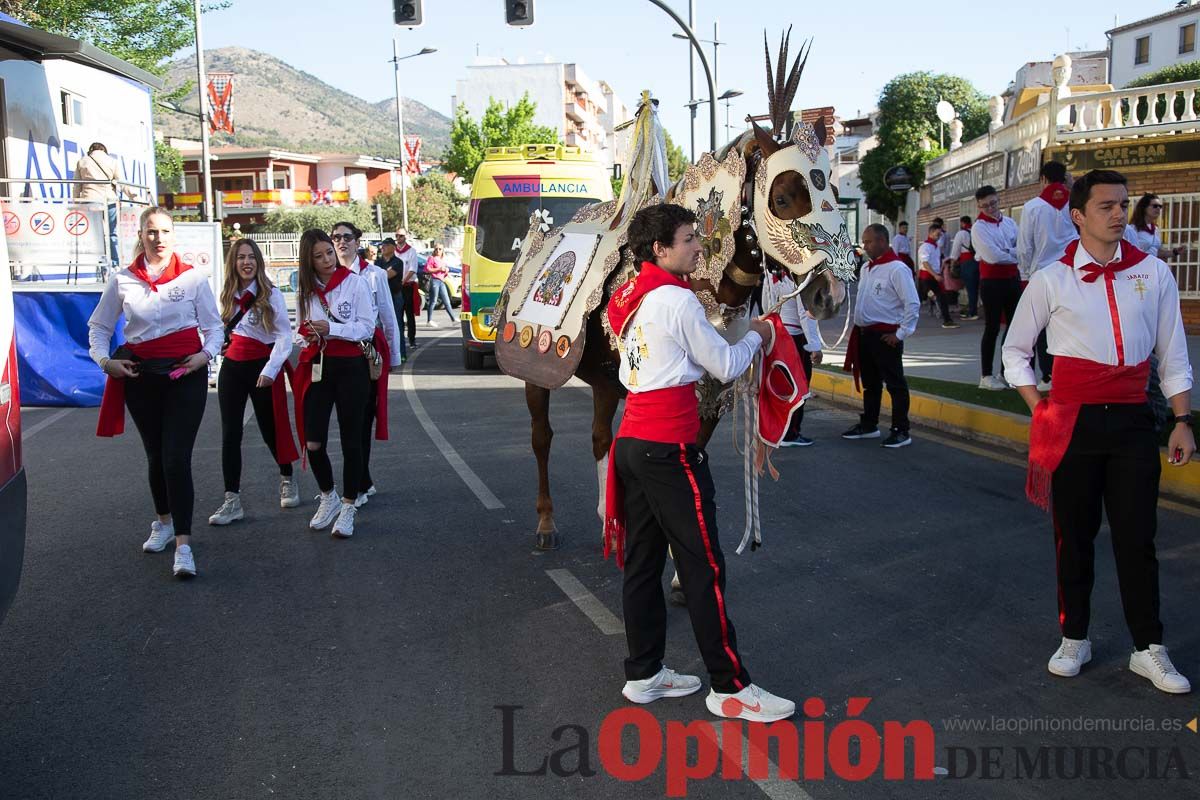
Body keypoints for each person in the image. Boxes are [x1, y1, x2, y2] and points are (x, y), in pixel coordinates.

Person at [1002, 169, 1195, 694]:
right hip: (1073, 423)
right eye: (1106, 205)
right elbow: (1015, 352)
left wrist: (1181, 419)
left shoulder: (1153, 272)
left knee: (1138, 538)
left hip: (1134, 417)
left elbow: (1172, 353)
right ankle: (1075, 636)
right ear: (1078, 216)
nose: (1117, 213)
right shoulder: (1052, 279)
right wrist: (1039, 405)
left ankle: (1148, 647)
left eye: (1123, 204)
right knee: (1074, 538)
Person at [603, 203, 794, 722]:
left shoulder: (635, 298)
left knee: (643, 563)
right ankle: (729, 686)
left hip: (634, 443)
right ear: (660, 250)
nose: (698, 246)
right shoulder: (675, 301)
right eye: (688, 239)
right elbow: (727, 365)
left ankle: (643, 674)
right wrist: (761, 334)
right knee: (703, 564)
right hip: (668, 448)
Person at [89, 207, 222, 578]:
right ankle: (163, 520)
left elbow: (214, 329)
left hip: (185, 374)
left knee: (176, 458)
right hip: (141, 376)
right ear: (142, 236)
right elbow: (99, 328)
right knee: (155, 455)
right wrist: (105, 362)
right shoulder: (122, 280)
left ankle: (183, 545)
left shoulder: (194, 278)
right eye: (151, 232)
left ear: (174, 236)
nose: (158, 238)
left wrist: (204, 356)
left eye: (164, 231)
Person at [208, 238, 300, 526]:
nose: (246, 262)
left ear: (258, 262)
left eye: (251, 257)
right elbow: (213, 329)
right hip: (232, 368)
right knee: (230, 434)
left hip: (263, 368)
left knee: (270, 430)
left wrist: (272, 369)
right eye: (241, 257)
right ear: (233, 262)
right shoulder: (225, 293)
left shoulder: (270, 294)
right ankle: (231, 500)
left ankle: (287, 477)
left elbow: (285, 335)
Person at [291, 229, 375, 538]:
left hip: (351, 366)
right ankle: (328, 496)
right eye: (319, 256)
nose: (327, 259)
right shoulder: (305, 289)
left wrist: (332, 329)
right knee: (313, 442)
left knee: (352, 440)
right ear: (308, 261)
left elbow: (366, 328)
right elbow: (297, 330)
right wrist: (306, 335)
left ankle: (349, 505)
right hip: (317, 366)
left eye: (329, 252)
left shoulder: (355, 283)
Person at [331, 222, 403, 505]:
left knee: (362, 417)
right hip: (336, 350)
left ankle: (359, 482)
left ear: (358, 242)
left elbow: (387, 315)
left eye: (347, 237)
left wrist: (393, 356)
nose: (341, 242)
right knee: (345, 418)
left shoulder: (374, 275)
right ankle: (361, 478)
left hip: (367, 349)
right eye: (336, 237)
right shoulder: (328, 275)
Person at [841, 224, 921, 448]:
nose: (864, 246)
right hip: (866, 335)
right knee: (871, 384)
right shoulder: (867, 267)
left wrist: (901, 333)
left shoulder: (897, 268)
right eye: (864, 241)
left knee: (895, 384)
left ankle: (901, 429)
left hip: (886, 336)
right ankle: (869, 424)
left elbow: (912, 304)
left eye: (868, 242)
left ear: (883, 242)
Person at [1017, 161, 1075, 391]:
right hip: (1070, 271)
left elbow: (1024, 246)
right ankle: (1066, 372)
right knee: (1068, 325)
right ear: (1065, 177)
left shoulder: (1033, 206)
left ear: (1043, 179)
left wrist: (1025, 271)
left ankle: (1048, 375)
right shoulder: (1075, 202)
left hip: (1042, 273)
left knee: (1042, 328)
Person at [972, 185, 1022, 390]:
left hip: (1013, 279)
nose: (990, 208)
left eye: (993, 203)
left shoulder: (1009, 223)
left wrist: (1008, 252)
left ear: (999, 200)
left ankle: (1004, 372)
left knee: (1014, 329)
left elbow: (1023, 248)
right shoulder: (979, 228)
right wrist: (1012, 253)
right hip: (991, 282)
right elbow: (992, 257)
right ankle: (986, 376)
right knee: (991, 328)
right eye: (985, 206)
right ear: (979, 206)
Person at [776, 275, 822, 447]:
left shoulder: (772, 276)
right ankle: (791, 433)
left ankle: (779, 430)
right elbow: (805, 315)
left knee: (782, 386)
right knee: (798, 386)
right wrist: (814, 346)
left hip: (777, 336)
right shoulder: (800, 280)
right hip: (794, 339)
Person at [75, 142, 136, 268]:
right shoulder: (112, 161)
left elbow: (77, 185)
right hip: (110, 201)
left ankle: (100, 264)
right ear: (104, 150)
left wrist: (75, 201)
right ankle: (114, 264)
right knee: (112, 233)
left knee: (96, 234)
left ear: (90, 150)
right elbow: (121, 182)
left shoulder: (82, 161)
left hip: (90, 200)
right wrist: (133, 195)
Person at [917, 222, 957, 328]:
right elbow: (925, 263)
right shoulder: (925, 247)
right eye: (937, 234)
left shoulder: (936, 247)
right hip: (927, 277)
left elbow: (936, 261)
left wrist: (941, 268)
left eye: (940, 235)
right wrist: (935, 275)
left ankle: (947, 320)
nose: (939, 236)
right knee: (920, 298)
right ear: (930, 233)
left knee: (941, 297)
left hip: (935, 275)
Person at [375, 237, 408, 361]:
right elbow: (376, 276)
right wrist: (383, 272)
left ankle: (401, 353)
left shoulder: (397, 262)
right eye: (382, 245)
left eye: (386, 245)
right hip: (381, 296)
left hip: (395, 295)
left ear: (393, 248)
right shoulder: (378, 262)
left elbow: (386, 275)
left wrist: (383, 273)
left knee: (397, 324)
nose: (382, 247)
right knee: (379, 325)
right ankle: (384, 354)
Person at [1124, 194, 1183, 261]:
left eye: (1160, 206)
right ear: (1144, 208)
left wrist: (1175, 252)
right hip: (1138, 267)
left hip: (1153, 267)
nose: (1158, 208)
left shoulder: (1155, 229)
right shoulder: (1132, 229)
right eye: (1155, 206)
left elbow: (1157, 252)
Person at [950, 216, 979, 320]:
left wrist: (952, 264)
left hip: (967, 263)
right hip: (979, 261)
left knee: (970, 288)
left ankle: (972, 312)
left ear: (962, 223)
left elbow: (955, 250)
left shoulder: (961, 233)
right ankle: (975, 309)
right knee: (977, 288)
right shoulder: (976, 231)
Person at [424, 244, 457, 326]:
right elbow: (427, 269)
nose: (438, 251)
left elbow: (444, 272)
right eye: (436, 249)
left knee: (447, 301)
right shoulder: (431, 258)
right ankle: (429, 320)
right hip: (434, 280)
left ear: (443, 251)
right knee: (433, 300)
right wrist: (439, 269)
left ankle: (453, 319)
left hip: (441, 281)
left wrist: (446, 270)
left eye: (440, 249)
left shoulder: (443, 260)